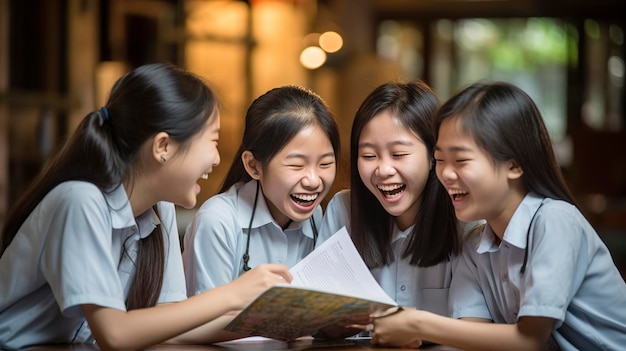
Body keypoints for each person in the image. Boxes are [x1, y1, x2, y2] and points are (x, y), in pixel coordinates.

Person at [0, 62, 292, 351]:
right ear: (163, 146)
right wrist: (233, 294)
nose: (216, 159)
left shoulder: (159, 209)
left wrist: (276, 320)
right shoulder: (80, 201)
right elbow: (114, 334)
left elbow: (171, 327)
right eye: (213, 140)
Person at [371, 81, 626, 350]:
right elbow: (469, 339)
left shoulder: (555, 221)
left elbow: (529, 340)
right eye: (441, 159)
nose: (445, 174)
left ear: (514, 164)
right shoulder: (474, 247)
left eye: (461, 160)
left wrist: (416, 324)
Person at [316, 81, 463, 338]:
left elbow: (472, 330)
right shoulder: (342, 211)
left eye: (398, 154)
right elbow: (318, 320)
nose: (383, 170)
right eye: (369, 156)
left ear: (433, 156)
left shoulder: (465, 223)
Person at [182, 85, 339, 295]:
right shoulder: (218, 221)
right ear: (254, 166)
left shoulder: (317, 217)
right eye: (296, 165)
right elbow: (200, 322)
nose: (313, 180)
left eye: (325, 164)